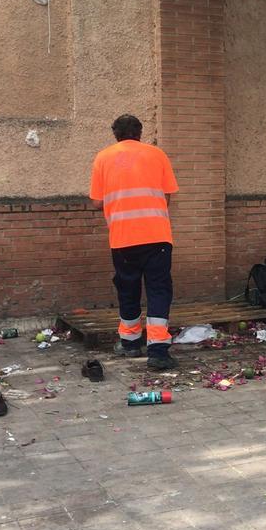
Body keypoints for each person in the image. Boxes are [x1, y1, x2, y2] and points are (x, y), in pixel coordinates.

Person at [89, 115, 179, 370]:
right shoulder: (157, 155)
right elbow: (167, 197)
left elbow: (97, 202)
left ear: (115, 134)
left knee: (128, 288)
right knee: (158, 289)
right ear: (139, 132)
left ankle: (130, 343)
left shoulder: (103, 158)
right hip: (157, 236)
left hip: (123, 238)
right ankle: (158, 352)